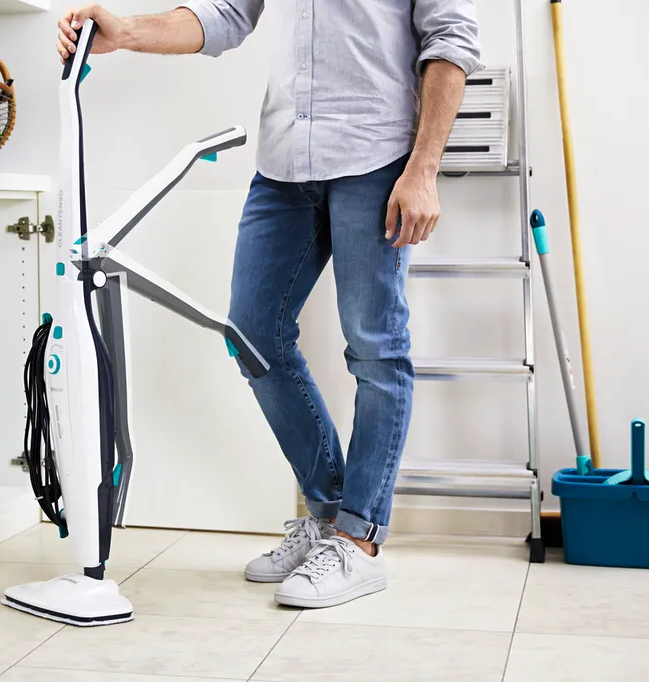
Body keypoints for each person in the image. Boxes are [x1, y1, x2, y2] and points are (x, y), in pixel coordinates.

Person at [57, 0, 481, 608]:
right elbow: (227, 15)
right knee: (253, 335)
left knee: (375, 348)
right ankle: (329, 515)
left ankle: (359, 539)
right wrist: (126, 33)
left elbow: (450, 39)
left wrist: (424, 169)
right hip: (284, 163)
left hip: (378, 157)